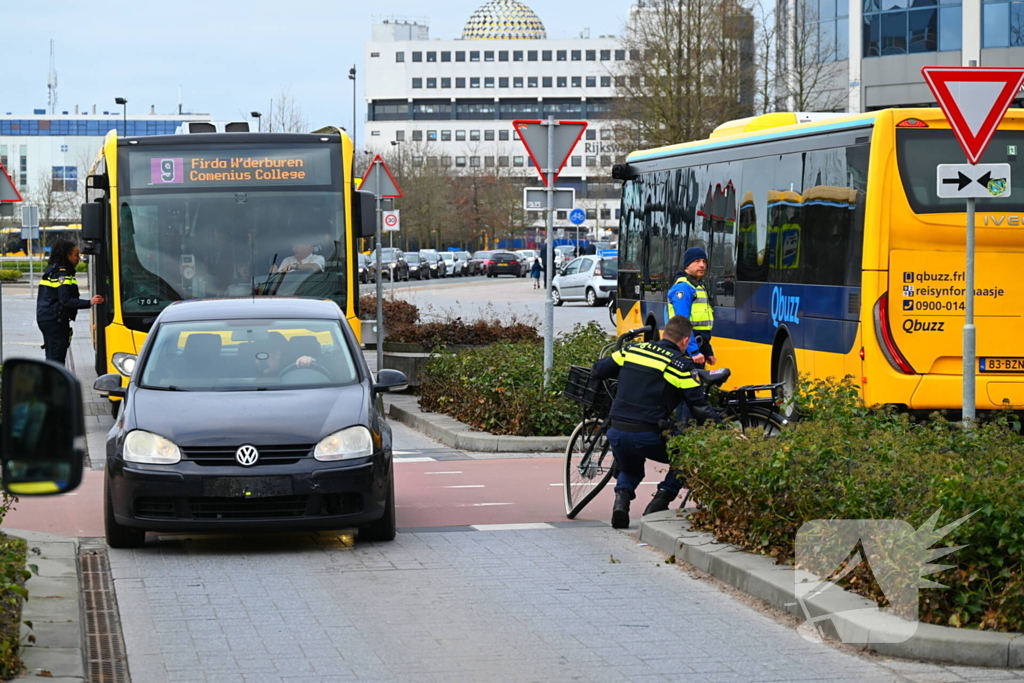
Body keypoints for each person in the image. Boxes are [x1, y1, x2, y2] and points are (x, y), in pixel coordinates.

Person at [591, 315, 725, 529]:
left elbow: (598, 370)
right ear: (685, 341)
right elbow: (698, 407)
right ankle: (659, 502)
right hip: (647, 435)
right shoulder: (680, 365)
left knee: (631, 467)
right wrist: (724, 430)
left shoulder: (632, 350)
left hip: (615, 430)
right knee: (687, 457)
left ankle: (621, 502)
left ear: (664, 334)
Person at [36, 238, 104, 365]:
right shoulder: (63, 274)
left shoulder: (52, 270)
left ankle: (50, 383)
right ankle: (54, 383)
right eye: (76, 255)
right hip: (55, 320)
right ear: (67, 255)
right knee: (57, 359)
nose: (79, 258)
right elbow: (65, 300)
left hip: (48, 318)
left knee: (52, 357)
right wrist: (90, 302)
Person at [666, 247, 716, 366]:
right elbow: (683, 323)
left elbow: (701, 328)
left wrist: (707, 351)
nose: (702, 265)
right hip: (686, 349)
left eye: (704, 262)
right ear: (687, 266)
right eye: (697, 261)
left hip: (695, 347)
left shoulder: (697, 287)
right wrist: (693, 351)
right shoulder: (684, 287)